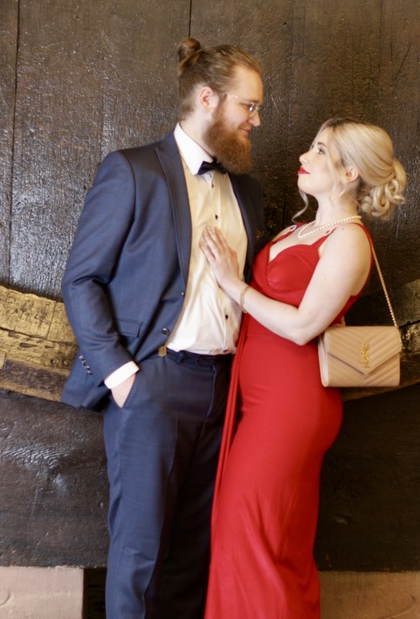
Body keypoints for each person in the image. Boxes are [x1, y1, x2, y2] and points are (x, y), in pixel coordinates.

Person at [59, 38, 266, 619]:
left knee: (196, 556)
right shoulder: (132, 171)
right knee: (141, 554)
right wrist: (123, 377)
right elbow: (81, 280)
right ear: (208, 99)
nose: (256, 120)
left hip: (225, 390)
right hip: (154, 384)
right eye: (249, 105)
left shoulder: (248, 191)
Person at [199, 118, 408, 618]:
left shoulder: (349, 240)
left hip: (291, 407)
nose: (304, 156)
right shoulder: (302, 227)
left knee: (255, 542)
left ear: (350, 172)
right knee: (249, 539)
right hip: (259, 400)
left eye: (319, 150)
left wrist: (234, 285)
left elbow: (301, 327)